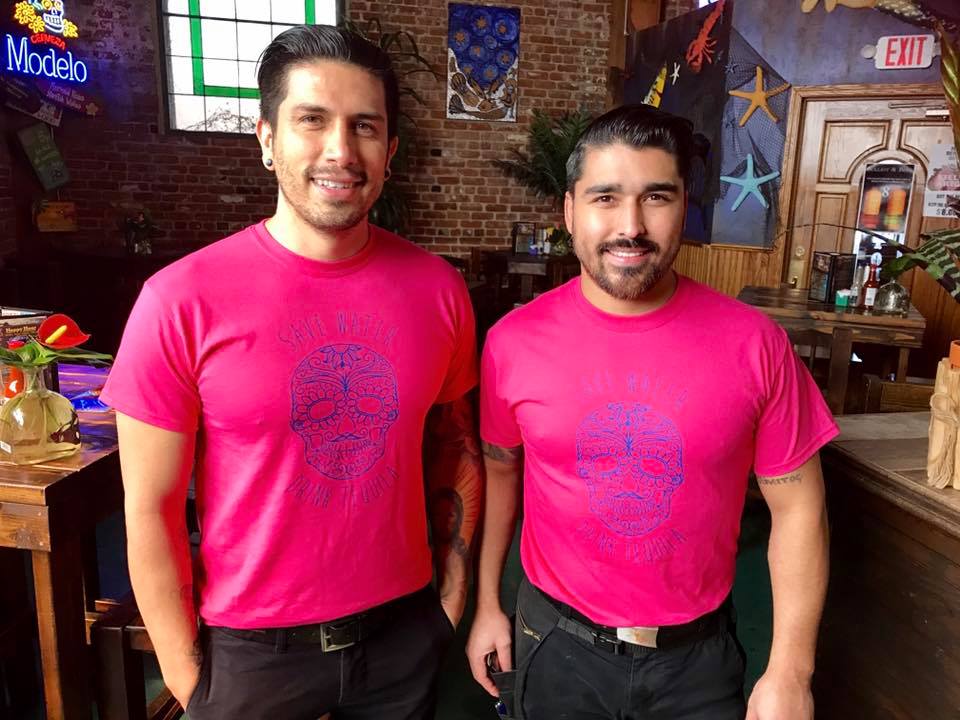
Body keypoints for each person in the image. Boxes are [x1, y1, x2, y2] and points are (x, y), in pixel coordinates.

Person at [102, 25, 481, 720]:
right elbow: (150, 509)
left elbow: (453, 445)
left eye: (364, 125)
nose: (341, 150)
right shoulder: (179, 300)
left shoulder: (438, 290)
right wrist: (189, 679)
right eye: (312, 119)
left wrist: (449, 599)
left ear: (390, 151)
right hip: (252, 656)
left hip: (403, 640)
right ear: (267, 140)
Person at [466, 104, 837, 720]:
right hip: (555, 643)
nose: (631, 226)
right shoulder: (512, 342)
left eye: (656, 197)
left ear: (684, 206)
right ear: (570, 211)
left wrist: (790, 673)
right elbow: (501, 473)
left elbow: (799, 508)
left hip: (697, 660)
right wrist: (487, 604)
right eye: (605, 198)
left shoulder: (755, 344)